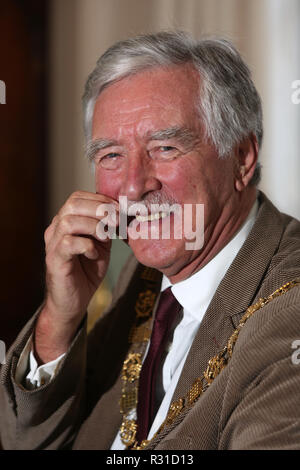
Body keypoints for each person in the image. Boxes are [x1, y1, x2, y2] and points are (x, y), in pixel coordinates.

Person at [0, 31, 300, 450]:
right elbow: (29, 443)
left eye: (165, 147)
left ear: (242, 157)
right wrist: (60, 317)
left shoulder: (290, 312)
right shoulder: (143, 275)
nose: (133, 187)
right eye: (111, 156)